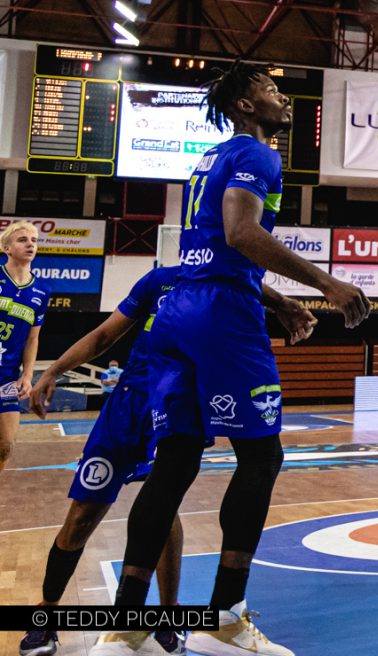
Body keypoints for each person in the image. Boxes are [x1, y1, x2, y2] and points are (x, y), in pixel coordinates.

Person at [107, 64, 370, 656]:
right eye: (271, 90)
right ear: (246, 106)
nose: (283, 98)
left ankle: (125, 626)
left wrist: (279, 301)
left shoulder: (211, 158)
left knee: (175, 462)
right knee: (261, 456)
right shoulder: (259, 153)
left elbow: (212, 251)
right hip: (222, 318)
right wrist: (326, 284)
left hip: (180, 310)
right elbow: (241, 234)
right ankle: (224, 620)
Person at [21, 267, 311, 656]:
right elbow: (104, 335)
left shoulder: (233, 287)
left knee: (166, 499)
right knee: (83, 513)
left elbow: (250, 282)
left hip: (178, 404)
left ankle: (165, 616)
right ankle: (47, 614)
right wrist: (54, 370)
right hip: (130, 405)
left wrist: (283, 302)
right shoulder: (160, 281)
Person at [0, 220, 50, 475]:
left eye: (34, 240)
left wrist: (28, 375)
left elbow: (32, 339)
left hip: (7, 376)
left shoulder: (42, 290)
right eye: (22, 240)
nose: (30, 244)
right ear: (6, 248)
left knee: (5, 446)